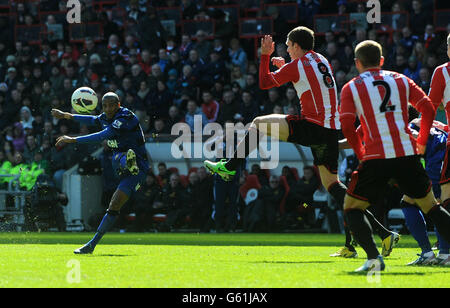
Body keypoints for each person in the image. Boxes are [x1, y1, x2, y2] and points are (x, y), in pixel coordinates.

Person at [204, 27, 392, 257]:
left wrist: (264, 55)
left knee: (258, 122)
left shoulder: (299, 64)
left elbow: (264, 83)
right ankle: (378, 235)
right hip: (330, 130)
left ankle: (230, 167)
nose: (287, 50)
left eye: (288, 46)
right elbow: (310, 83)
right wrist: (285, 67)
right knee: (333, 185)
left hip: (313, 126)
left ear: (296, 46)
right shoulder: (321, 60)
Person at [339, 40, 450, 272]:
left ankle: (373, 259)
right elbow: (429, 108)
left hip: (376, 157)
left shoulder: (351, 87)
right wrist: (420, 143)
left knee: (351, 209)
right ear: (381, 60)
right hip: (407, 154)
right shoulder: (400, 80)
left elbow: (348, 126)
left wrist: (361, 153)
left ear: (357, 63)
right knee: (433, 207)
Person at [51, 92, 150, 254]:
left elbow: (103, 136)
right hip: (120, 165)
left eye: (112, 105)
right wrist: (67, 116)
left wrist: (73, 139)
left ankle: (129, 161)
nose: (109, 108)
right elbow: (92, 119)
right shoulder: (104, 116)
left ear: (118, 104)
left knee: (119, 161)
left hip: (140, 167)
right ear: (102, 106)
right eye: (105, 105)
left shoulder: (125, 117)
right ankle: (127, 162)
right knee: (114, 199)